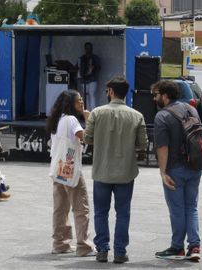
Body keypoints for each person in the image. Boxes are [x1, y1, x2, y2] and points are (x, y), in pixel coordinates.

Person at [84, 76, 148, 264]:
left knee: (100, 212)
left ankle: (102, 250)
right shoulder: (137, 115)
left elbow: (87, 139)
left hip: (102, 171)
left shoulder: (96, 113)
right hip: (126, 172)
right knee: (123, 213)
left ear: (110, 91)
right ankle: (120, 252)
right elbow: (143, 143)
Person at [152, 81, 202, 262]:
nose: (154, 98)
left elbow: (162, 147)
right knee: (192, 207)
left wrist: (163, 172)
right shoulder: (191, 109)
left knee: (177, 209)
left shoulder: (162, 116)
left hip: (175, 168)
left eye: (156, 94)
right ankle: (195, 246)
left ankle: (177, 247)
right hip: (195, 165)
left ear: (165, 96)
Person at [46, 90, 95, 257]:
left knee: (60, 208)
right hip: (71, 169)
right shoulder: (72, 120)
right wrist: (88, 118)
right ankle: (84, 245)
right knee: (81, 208)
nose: (82, 103)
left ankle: (59, 243)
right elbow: (87, 138)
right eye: (79, 101)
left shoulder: (56, 120)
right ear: (70, 104)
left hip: (57, 169)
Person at [78, 42, 100, 110]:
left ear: (92, 49)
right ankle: (87, 111)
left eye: (89, 48)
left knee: (91, 94)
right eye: (87, 48)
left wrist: (93, 68)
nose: (88, 49)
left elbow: (99, 68)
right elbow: (78, 67)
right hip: (84, 79)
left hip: (93, 79)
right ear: (85, 49)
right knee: (85, 96)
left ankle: (93, 111)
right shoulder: (81, 58)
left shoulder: (95, 58)